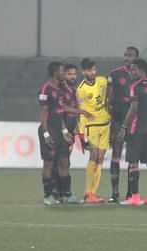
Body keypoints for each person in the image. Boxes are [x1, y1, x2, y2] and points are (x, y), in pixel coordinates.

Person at [116, 58, 147, 206]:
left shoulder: (136, 86)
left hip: (136, 130)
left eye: (134, 69)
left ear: (142, 70)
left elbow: (133, 108)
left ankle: (135, 197)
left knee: (133, 163)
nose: (131, 72)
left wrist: (123, 128)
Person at [38, 62, 78, 205]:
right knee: (48, 164)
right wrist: (46, 134)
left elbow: (60, 112)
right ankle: (48, 196)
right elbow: (43, 114)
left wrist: (65, 131)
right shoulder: (46, 89)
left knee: (64, 162)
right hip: (49, 130)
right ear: (55, 73)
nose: (64, 74)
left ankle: (67, 195)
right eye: (62, 71)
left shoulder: (60, 89)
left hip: (59, 132)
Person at [106, 46, 138, 203]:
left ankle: (131, 193)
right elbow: (108, 98)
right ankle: (115, 193)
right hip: (118, 120)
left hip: (134, 122)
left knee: (132, 158)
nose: (127, 58)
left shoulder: (140, 76)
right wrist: (116, 104)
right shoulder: (115, 74)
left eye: (130, 55)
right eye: (125, 55)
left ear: (136, 58)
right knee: (116, 155)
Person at [76, 58, 110, 203]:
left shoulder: (103, 81)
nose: (92, 73)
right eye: (89, 70)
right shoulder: (81, 90)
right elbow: (81, 111)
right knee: (94, 157)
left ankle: (93, 193)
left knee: (101, 159)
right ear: (83, 71)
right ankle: (87, 192)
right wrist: (81, 132)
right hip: (92, 126)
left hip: (106, 124)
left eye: (94, 69)